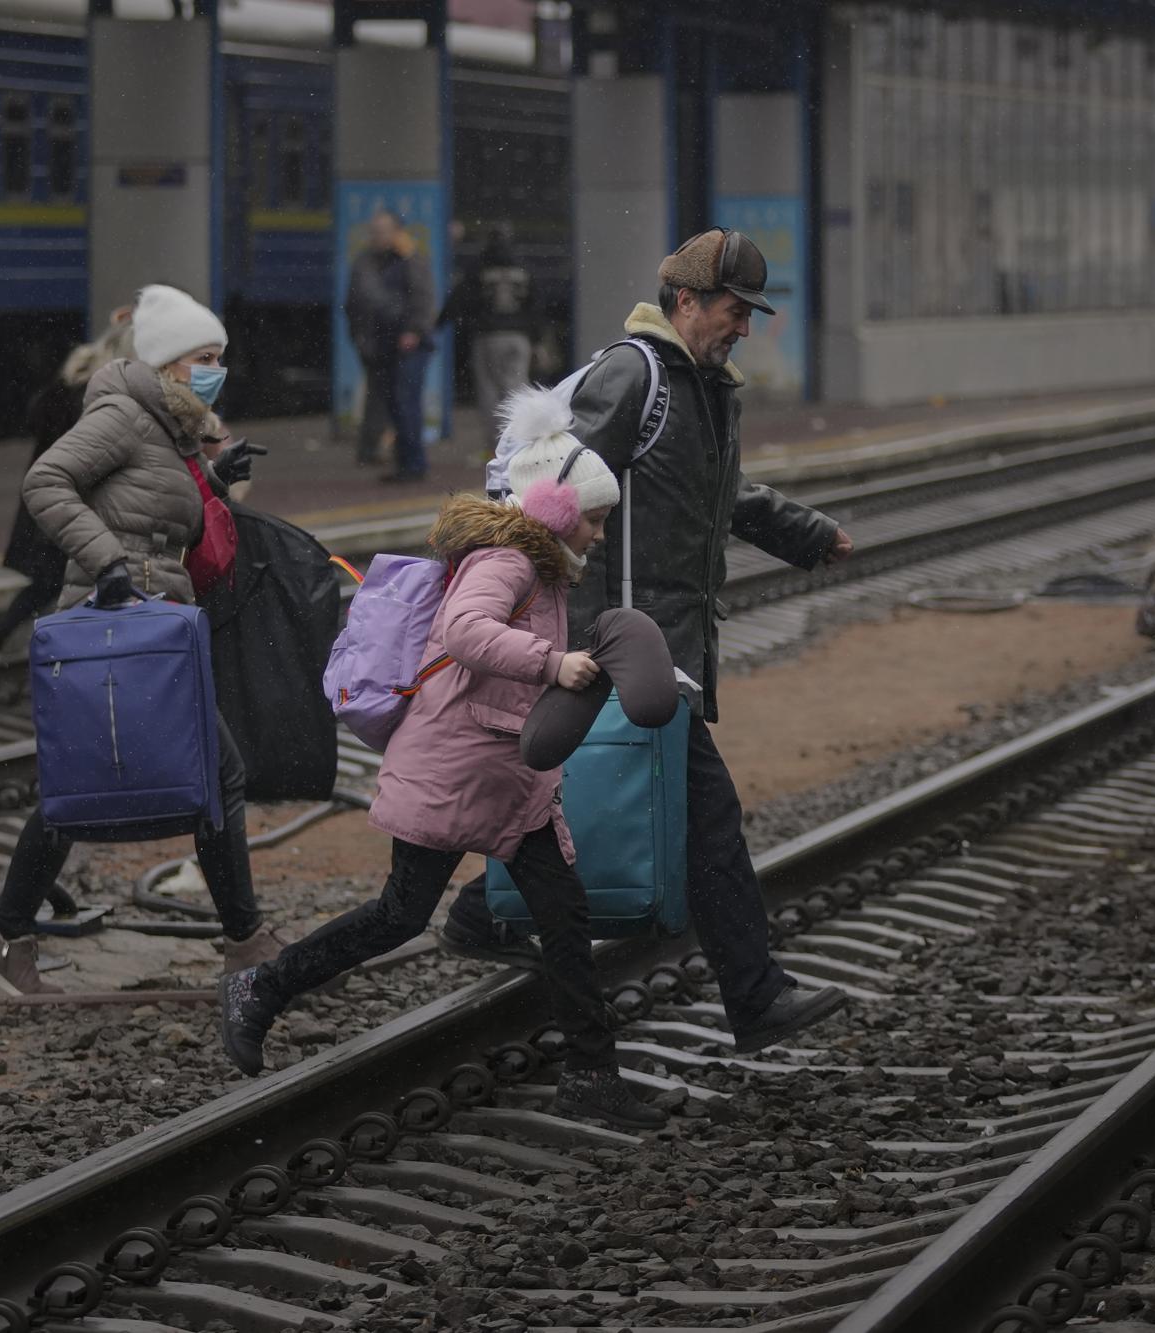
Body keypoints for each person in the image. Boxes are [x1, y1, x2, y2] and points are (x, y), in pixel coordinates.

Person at [441, 227, 857, 1056]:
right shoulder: (636, 376)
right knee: (705, 822)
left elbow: (724, 495)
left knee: (582, 805)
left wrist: (807, 534)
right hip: (623, 641)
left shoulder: (704, 387)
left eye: (749, 315)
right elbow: (556, 492)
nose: (743, 328)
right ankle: (755, 996)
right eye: (735, 311)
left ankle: (477, 913)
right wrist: (563, 624)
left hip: (653, 642)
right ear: (686, 302)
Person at [219, 390, 675, 1129]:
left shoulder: (541, 567)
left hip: (505, 775)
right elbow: (465, 631)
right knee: (400, 914)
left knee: (562, 913)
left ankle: (592, 1073)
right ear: (556, 509)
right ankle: (263, 987)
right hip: (457, 766)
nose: (599, 532)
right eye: (593, 516)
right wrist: (551, 664)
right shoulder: (507, 561)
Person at [0, 284, 286, 995]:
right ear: (169, 362)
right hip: (115, 618)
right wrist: (108, 559)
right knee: (181, 778)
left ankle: (4, 933)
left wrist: (212, 475)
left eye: (220, 358)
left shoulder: (167, 424)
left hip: (149, 626)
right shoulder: (120, 412)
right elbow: (47, 481)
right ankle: (244, 939)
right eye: (204, 357)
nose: (215, 371)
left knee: (88, 784)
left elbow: (145, 498)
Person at [0, 311, 135, 656]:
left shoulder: (72, 381)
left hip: (49, 502)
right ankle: (57, 654)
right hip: (73, 504)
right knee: (70, 580)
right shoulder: (101, 395)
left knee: (49, 582)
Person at [344, 209, 436, 481]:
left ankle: (414, 464)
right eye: (374, 231)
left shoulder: (410, 259)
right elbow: (354, 303)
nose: (378, 236)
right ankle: (404, 463)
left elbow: (424, 297)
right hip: (380, 345)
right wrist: (361, 338)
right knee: (393, 404)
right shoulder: (365, 262)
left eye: (384, 230)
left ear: (398, 231)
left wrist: (413, 330)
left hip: (409, 345)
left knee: (406, 402)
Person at [439, 224, 539, 459]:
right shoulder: (523, 266)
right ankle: (523, 443)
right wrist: (534, 336)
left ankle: (498, 448)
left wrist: (441, 322)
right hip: (519, 337)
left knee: (490, 393)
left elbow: (460, 299)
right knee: (517, 388)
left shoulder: (479, 266)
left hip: (489, 335)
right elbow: (537, 305)